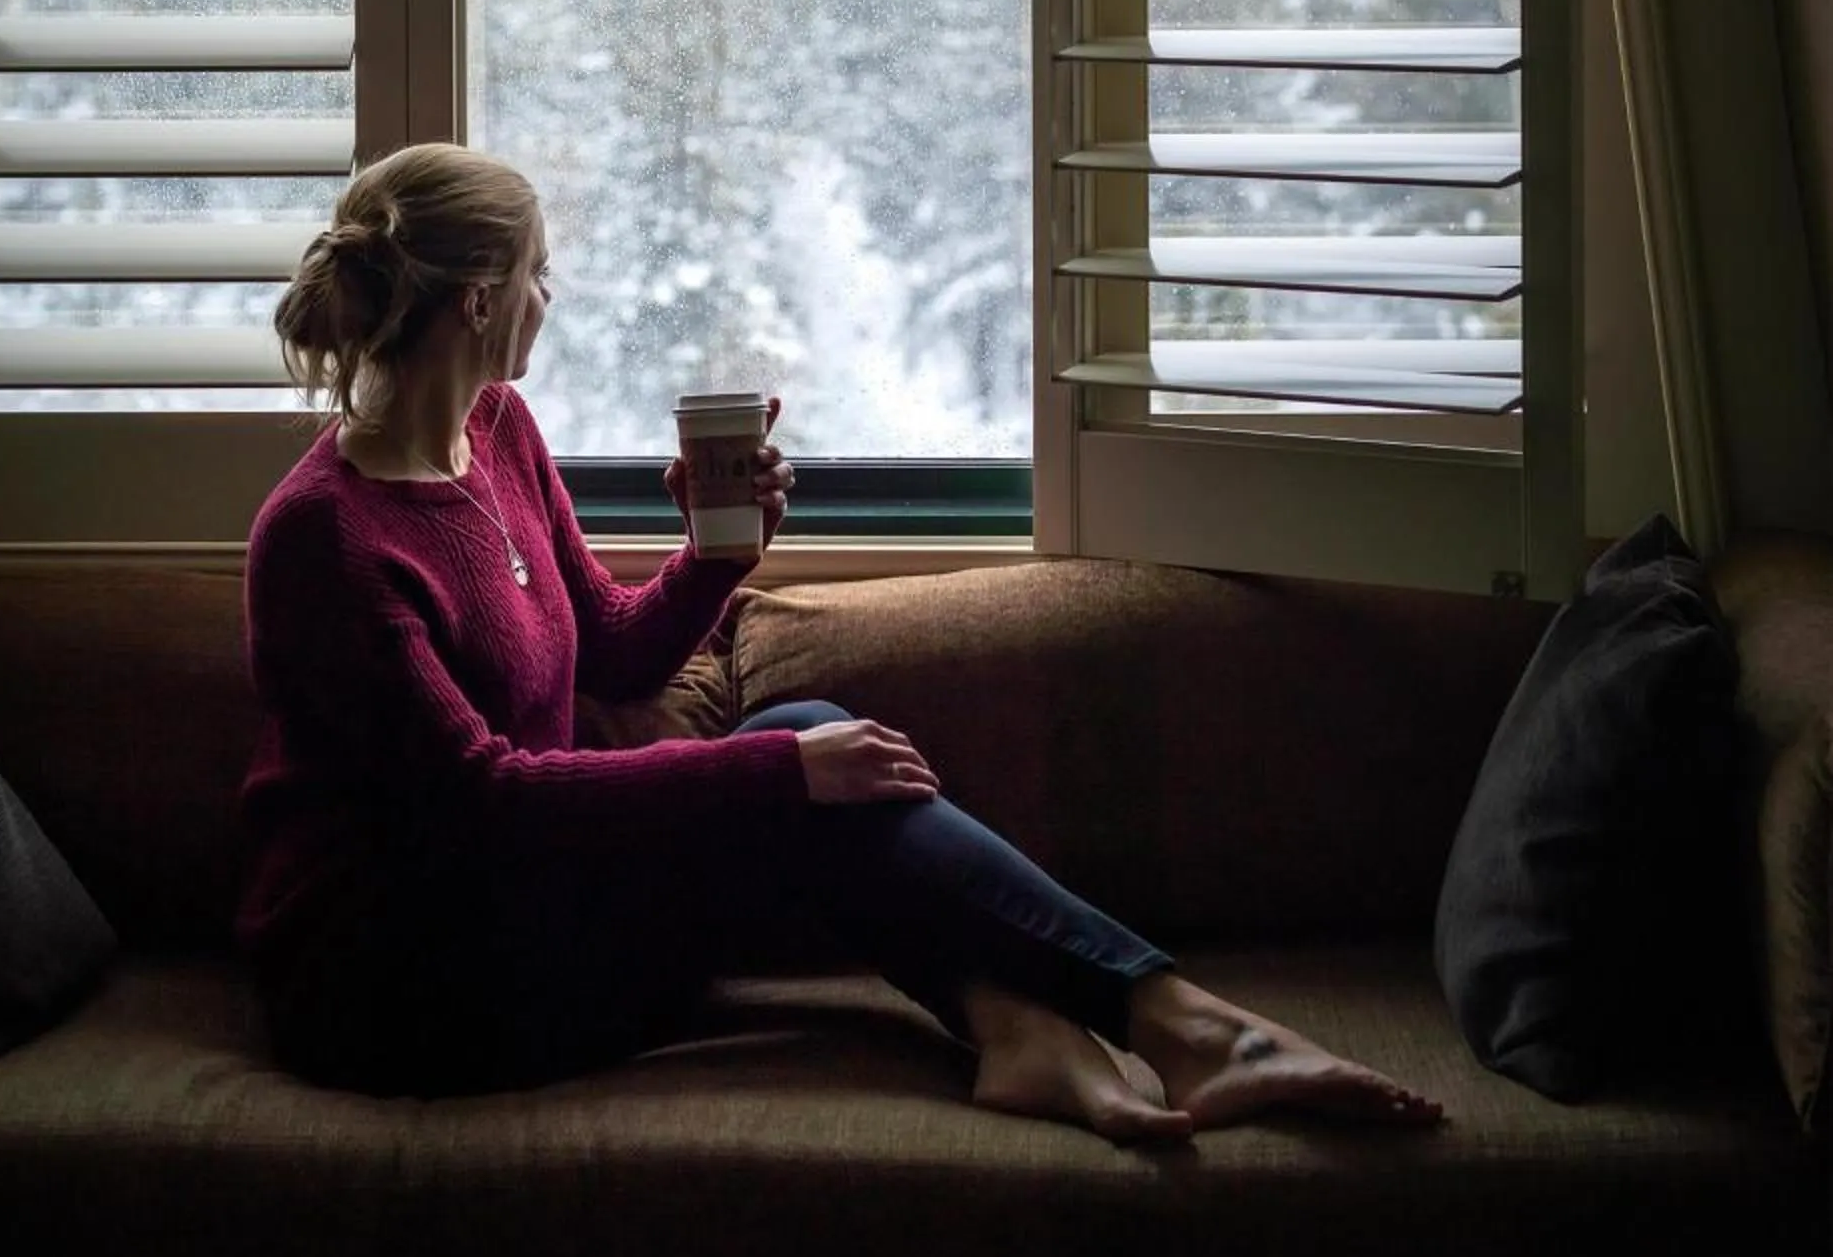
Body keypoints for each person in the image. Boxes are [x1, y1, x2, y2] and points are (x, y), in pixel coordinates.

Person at [237, 141, 1446, 1142]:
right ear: (481, 299)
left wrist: (719, 553)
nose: (554, 298)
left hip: (523, 907)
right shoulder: (325, 540)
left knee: (808, 758)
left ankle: (1073, 1031)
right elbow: (477, 802)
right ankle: (1134, 1024)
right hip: (404, 981)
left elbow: (608, 656)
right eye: (541, 274)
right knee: (797, 761)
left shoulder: (498, 432)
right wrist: (770, 774)